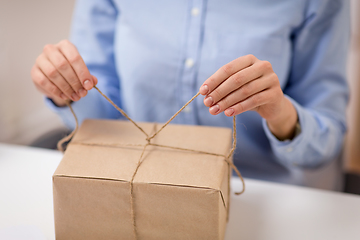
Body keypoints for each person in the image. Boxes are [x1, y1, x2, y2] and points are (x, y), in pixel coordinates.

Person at [31, 0, 350, 190]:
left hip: (254, 193)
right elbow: (101, 114)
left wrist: (280, 113)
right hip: (131, 183)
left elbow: (325, 142)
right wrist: (65, 90)